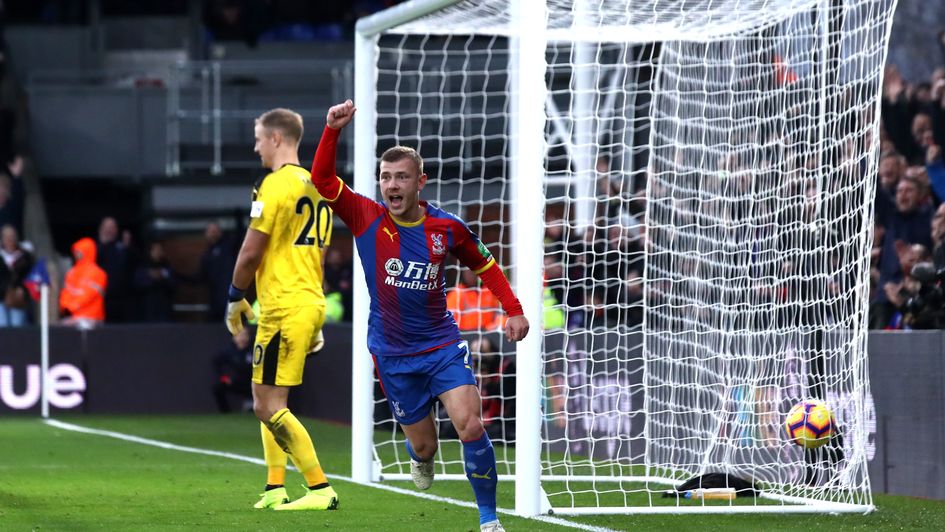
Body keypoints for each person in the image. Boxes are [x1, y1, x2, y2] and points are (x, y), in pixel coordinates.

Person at [310, 100, 529, 532]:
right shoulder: (365, 217)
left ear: (420, 182)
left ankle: (489, 519)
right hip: (392, 352)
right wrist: (331, 130)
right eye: (386, 177)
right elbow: (321, 180)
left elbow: (484, 264)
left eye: (401, 177)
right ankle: (419, 456)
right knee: (426, 446)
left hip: (442, 344)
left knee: (469, 423)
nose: (392, 184)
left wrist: (514, 309)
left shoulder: (446, 228)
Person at [225, 107, 338, 511]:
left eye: (258, 138)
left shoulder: (273, 185)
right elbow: (317, 255)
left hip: (286, 307)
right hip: (303, 300)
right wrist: (317, 313)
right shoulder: (319, 184)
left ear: (276, 138)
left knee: (267, 404)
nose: (255, 146)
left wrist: (235, 295)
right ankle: (275, 487)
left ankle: (320, 487)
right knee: (267, 398)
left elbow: (250, 250)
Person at [60, 237, 107, 328]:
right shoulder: (71, 272)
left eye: (80, 251)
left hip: (93, 317)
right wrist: (65, 304)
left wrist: (73, 304)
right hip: (73, 317)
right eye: (76, 252)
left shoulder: (98, 273)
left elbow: (89, 294)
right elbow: (66, 291)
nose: (77, 254)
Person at [0, 224, 32, 326]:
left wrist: (22, 288)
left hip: (18, 297)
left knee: (17, 324)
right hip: (1, 296)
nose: (9, 239)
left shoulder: (25, 255)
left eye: (12, 236)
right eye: (6, 236)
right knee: (2, 324)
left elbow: (30, 275)